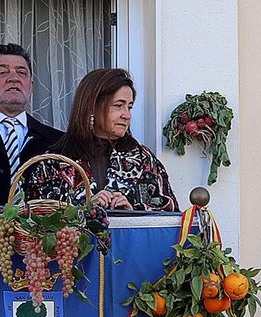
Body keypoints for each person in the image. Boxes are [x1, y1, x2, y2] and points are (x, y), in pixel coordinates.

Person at [23, 68, 178, 211]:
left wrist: (132, 212)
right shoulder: (55, 160)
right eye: (118, 105)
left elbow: (170, 214)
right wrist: (83, 210)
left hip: (130, 241)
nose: (127, 115)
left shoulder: (143, 158)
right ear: (92, 107)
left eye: (129, 107)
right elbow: (33, 217)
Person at [0, 43, 63, 205]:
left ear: (31, 86)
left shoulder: (57, 141)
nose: (14, 78)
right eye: (3, 72)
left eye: (21, 73)